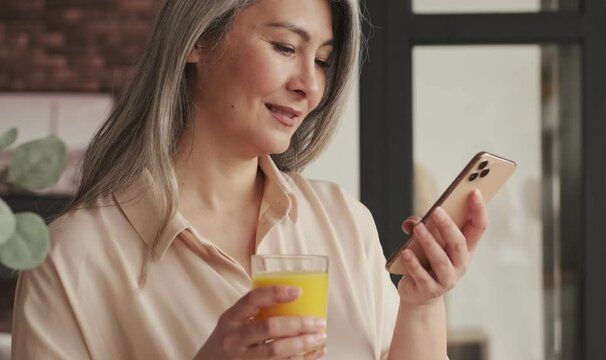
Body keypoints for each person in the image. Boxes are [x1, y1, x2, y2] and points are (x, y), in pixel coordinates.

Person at [11, 0, 488, 359]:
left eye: (322, 60)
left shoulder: (343, 220)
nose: (310, 84)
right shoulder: (73, 256)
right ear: (197, 40)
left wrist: (423, 305)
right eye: (284, 47)